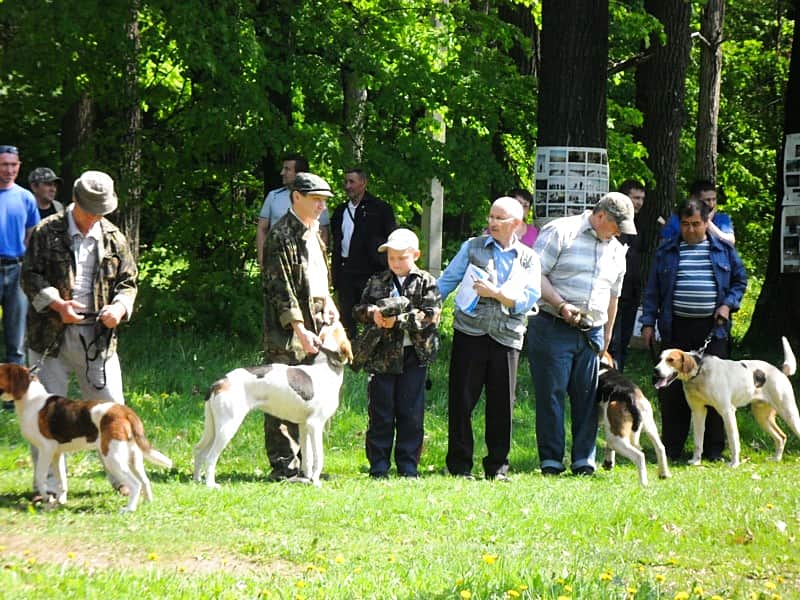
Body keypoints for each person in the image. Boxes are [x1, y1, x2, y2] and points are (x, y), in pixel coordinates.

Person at [21, 170, 137, 495]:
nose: (95, 218)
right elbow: (28, 276)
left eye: (101, 211)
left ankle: (123, 480)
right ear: (75, 201)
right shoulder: (47, 231)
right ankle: (47, 486)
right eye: (90, 211)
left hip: (98, 338)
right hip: (50, 336)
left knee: (112, 407)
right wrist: (57, 304)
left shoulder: (114, 237)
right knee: (43, 414)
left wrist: (119, 308)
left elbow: (128, 283)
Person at [527, 192, 634, 477]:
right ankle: (551, 461)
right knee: (552, 394)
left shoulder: (615, 249)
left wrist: (607, 337)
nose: (618, 234)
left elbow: (614, 297)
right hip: (552, 325)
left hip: (592, 332)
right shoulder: (561, 231)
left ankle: (583, 461)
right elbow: (534, 275)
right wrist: (561, 304)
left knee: (587, 396)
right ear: (601, 217)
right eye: (616, 227)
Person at [437, 197, 541, 481]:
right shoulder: (472, 247)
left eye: (500, 218)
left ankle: (497, 468)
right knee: (461, 401)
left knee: (501, 405)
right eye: (491, 216)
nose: (492, 223)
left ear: (516, 225)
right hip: (469, 333)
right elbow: (447, 281)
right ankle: (459, 465)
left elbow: (527, 300)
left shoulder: (529, 259)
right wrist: (429, 308)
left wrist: (494, 293)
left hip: (506, 338)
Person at [641, 197, 747, 462]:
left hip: (712, 328)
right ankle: (672, 449)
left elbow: (739, 281)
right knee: (671, 390)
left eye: (696, 224)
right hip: (674, 327)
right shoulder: (667, 250)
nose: (690, 230)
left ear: (707, 221)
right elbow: (652, 290)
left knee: (715, 389)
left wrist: (727, 305)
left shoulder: (722, 250)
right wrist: (647, 323)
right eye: (685, 224)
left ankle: (713, 451)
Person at [262, 171, 340, 481]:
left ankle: (310, 467)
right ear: (297, 197)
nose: (322, 205)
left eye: (324, 200)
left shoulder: (314, 232)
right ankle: (284, 467)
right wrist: (299, 329)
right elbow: (281, 289)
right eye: (316, 199)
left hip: (317, 326)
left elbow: (320, 281)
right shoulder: (282, 235)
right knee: (282, 398)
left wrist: (331, 307)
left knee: (313, 399)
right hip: (288, 332)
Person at [352, 228, 441, 479]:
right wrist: (373, 314)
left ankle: (408, 467)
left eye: (401, 258)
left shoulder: (426, 281)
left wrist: (398, 321)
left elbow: (430, 314)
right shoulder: (378, 280)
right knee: (380, 413)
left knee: (411, 413)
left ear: (416, 255)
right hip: (381, 356)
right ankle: (379, 467)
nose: (396, 263)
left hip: (414, 355)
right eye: (391, 258)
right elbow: (358, 310)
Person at [330, 168, 396, 340]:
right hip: (346, 271)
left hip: (372, 273)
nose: (347, 186)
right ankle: (347, 352)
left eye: (351, 182)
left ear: (363, 183)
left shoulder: (381, 209)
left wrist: (388, 269)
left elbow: (392, 239)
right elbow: (335, 243)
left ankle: (372, 353)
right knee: (345, 316)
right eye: (346, 182)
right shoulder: (339, 211)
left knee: (373, 316)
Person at [0, 145, 40, 366]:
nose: (9, 170)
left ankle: (13, 394)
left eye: (13, 165)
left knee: (16, 339)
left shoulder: (26, 198)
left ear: (19, 166)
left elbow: (31, 234)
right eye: (4, 165)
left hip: (17, 271)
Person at [256, 154, 330, 269]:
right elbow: (262, 228)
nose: (282, 173)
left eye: (287, 169)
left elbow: (323, 232)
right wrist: (262, 257)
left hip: (306, 261)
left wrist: (318, 261)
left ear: (299, 174)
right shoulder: (274, 196)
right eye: (283, 168)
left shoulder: (315, 200)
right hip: (276, 261)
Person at [608, 179, 646, 372]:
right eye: (635, 198)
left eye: (642, 198)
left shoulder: (640, 225)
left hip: (632, 291)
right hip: (613, 292)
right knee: (611, 340)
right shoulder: (612, 226)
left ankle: (619, 375)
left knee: (623, 341)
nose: (639, 202)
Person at [660, 179, 735, 246]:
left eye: (714, 199)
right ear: (694, 199)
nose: (712, 204)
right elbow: (665, 247)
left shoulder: (722, 219)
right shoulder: (675, 221)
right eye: (707, 200)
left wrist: (707, 222)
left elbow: (730, 242)